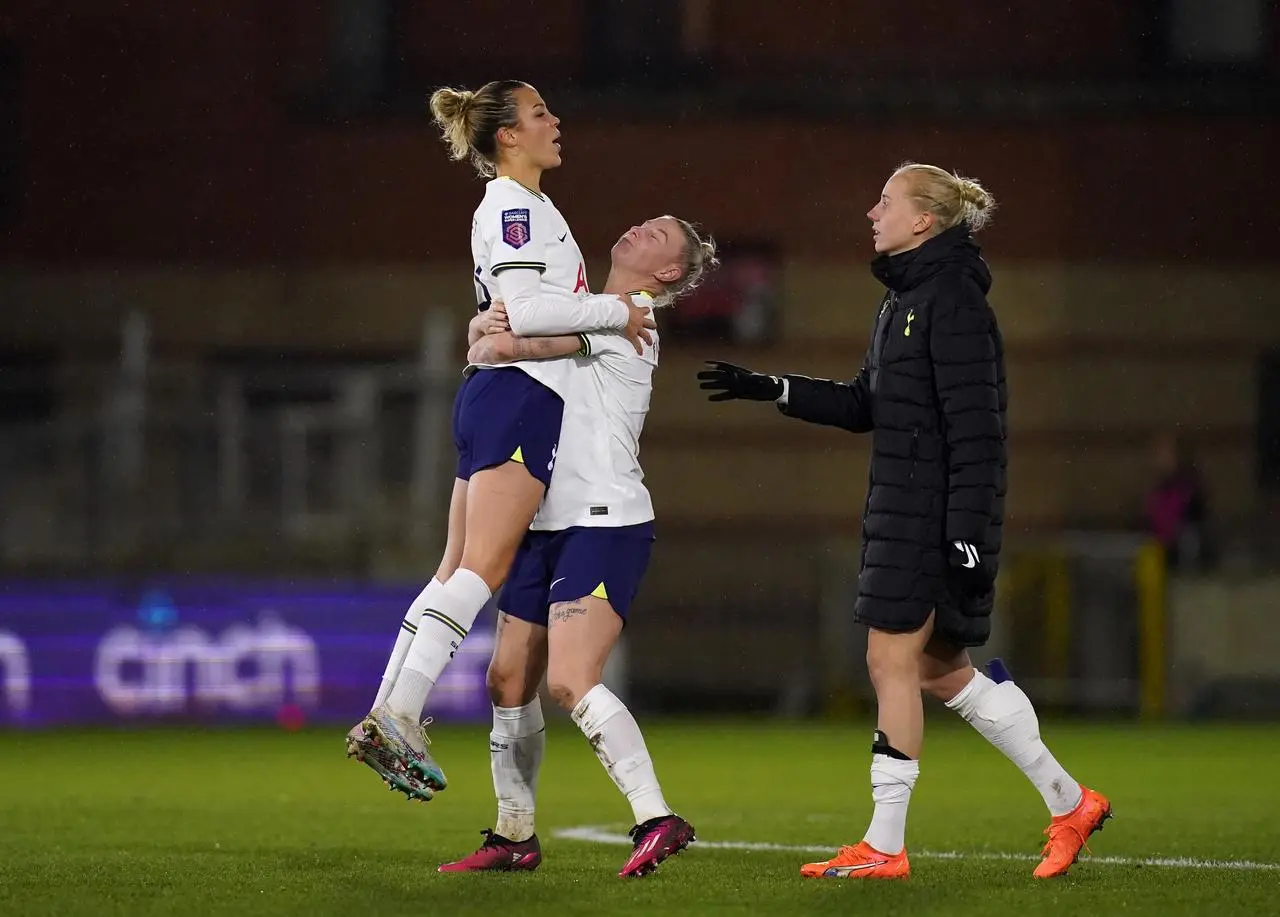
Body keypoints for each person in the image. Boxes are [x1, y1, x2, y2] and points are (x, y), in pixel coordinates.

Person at [697, 162, 1111, 880]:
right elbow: (868, 403)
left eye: (884, 201)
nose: (870, 211)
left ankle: (885, 846)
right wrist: (777, 388)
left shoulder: (951, 301)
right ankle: (1071, 801)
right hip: (904, 510)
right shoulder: (904, 300)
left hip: (929, 518)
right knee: (940, 671)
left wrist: (968, 534)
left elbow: (978, 431)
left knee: (888, 661)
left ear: (924, 219)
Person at [347, 79, 655, 799]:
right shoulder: (516, 205)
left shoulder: (525, 205)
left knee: (452, 566)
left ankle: (384, 710)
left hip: (494, 393)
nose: (556, 121)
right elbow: (526, 307)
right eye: (541, 112)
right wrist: (608, 314)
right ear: (509, 136)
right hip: (518, 400)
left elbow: (507, 313)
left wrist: (509, 328)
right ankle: (399, 712)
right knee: (481, 571)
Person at [433, 214, 717, 878]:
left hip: (604, 522)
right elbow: (516, 327)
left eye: (656, 234)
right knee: (506, 677)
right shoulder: (596, 304)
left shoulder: (633, 317)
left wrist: (490, 332)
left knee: (567, 678)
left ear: (669, 272)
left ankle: (656, 815)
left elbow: (518, 344)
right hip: (543, 523)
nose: (637, 228)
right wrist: (493, 327)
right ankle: (514, 833)